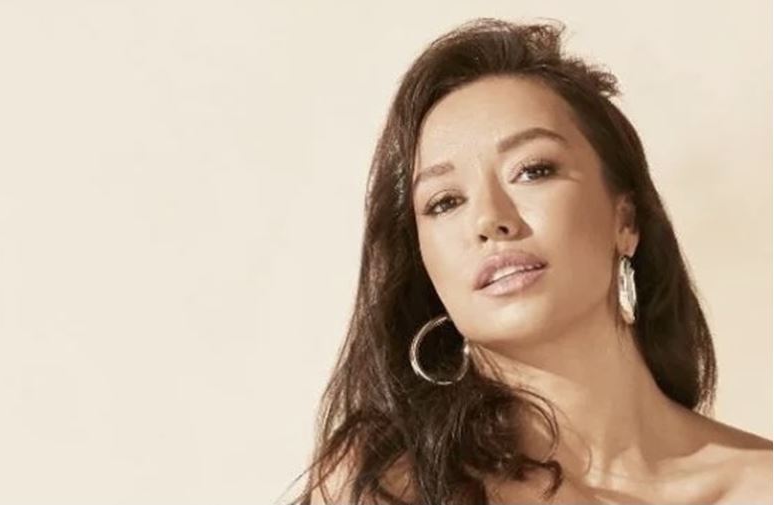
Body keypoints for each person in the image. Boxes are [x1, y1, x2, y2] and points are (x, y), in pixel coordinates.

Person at [285, 18, 772, 504]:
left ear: (626, 220)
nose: (489, 220)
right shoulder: (389, 485)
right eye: (444, 202)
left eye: (533, 171)